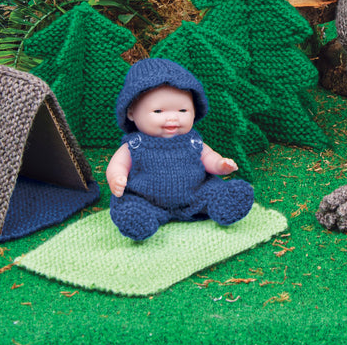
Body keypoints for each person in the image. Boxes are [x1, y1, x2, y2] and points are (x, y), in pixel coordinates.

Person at [105, 58, 254, 240]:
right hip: (146, 198)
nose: (173, 118)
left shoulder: (192, 140)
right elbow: (117, 164)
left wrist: (219, 164)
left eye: (182, 111)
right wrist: (116, 177)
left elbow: (208, 156)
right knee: (129, 203)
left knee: (214, 190)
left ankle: (225, 203)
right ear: (131, 113)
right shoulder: (134, 144)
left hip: (195, 194)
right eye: (158, 111)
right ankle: (139, 218)